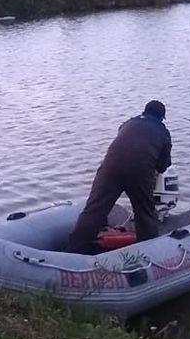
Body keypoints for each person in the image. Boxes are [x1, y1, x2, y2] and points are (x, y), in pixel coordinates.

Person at [66, 101, 173, 254]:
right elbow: (162, 166)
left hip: (109, 168)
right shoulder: (163, 132)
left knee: (94, 209)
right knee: (145, 212)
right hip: (139, 172)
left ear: (144, 111)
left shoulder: (128, 123)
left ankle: (74, 249)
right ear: (161, 117)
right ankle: (150, 251)